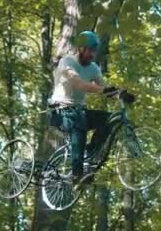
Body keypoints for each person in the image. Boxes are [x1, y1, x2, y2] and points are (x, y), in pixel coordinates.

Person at [48, 30, 118, 180]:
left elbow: (105, 89)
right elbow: (78, 83)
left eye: (94, 51)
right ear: (81, 49)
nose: (92, 55)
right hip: (60, 112)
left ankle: (89, 154)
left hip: (80, 111)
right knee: (78, 122)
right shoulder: (66, 62)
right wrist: (103, 90)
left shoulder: (94, 68)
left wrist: (120, 95)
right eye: (90, 51)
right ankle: (77, 174)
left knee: (110, 119)